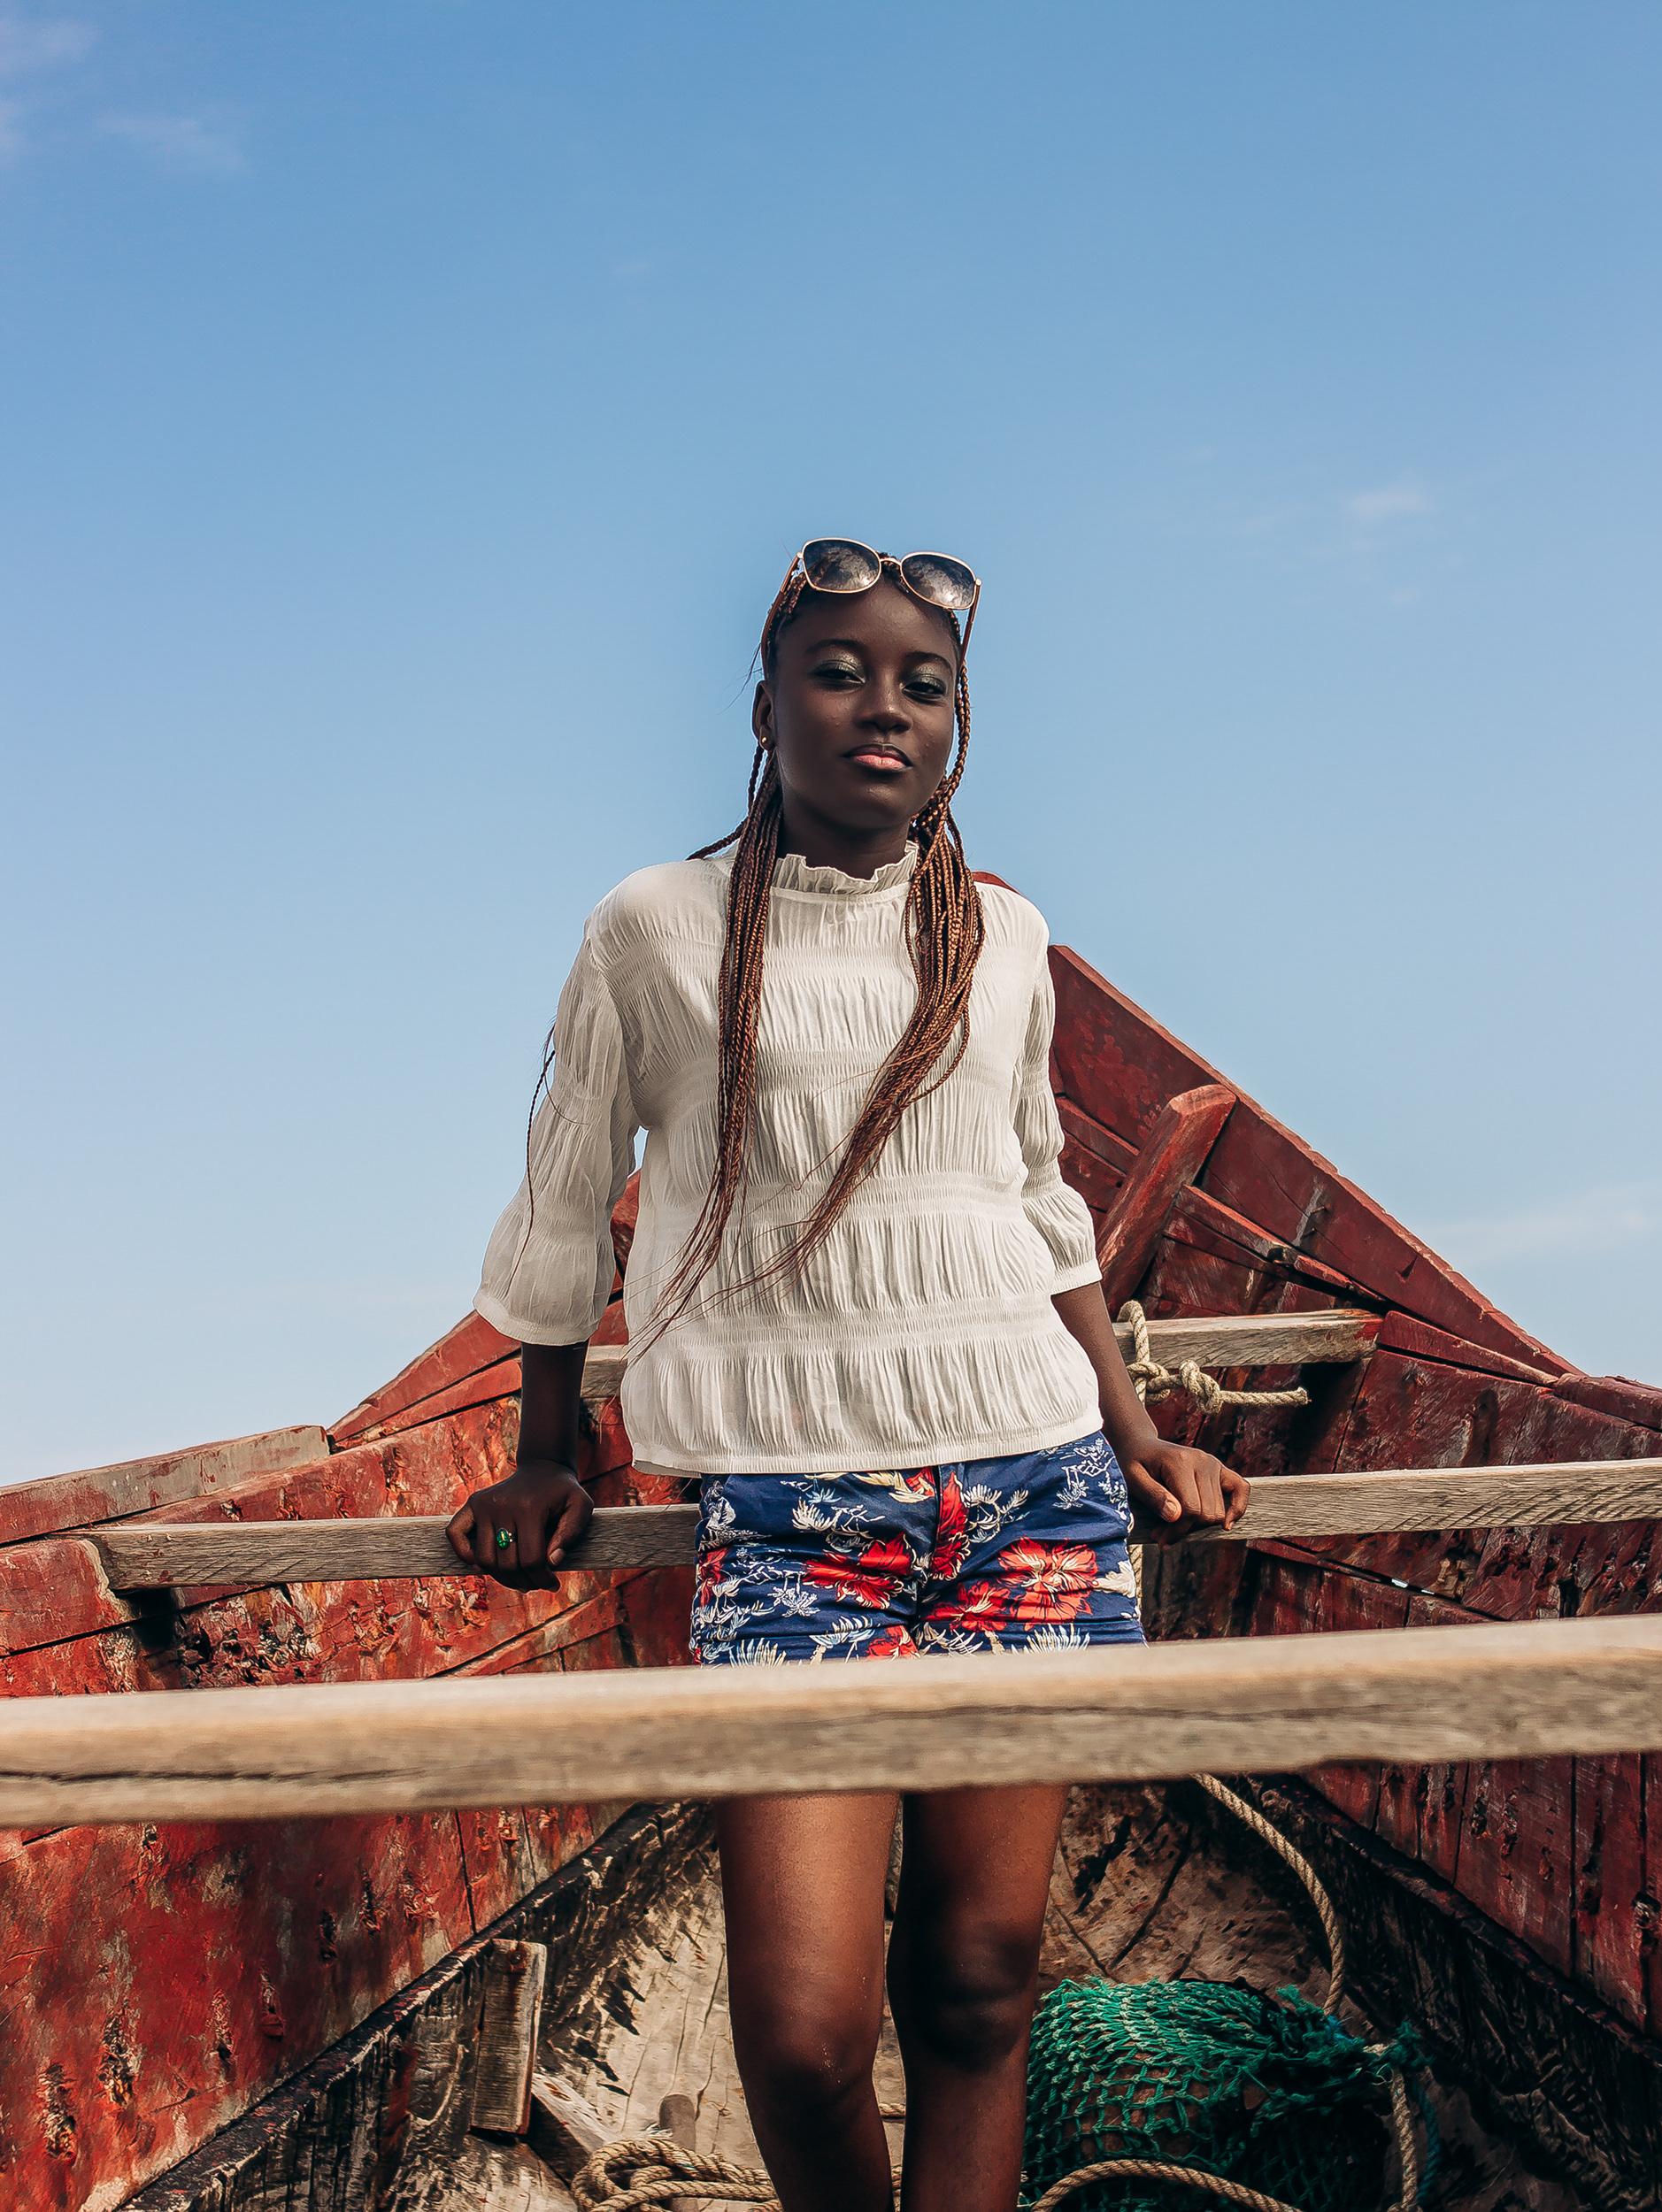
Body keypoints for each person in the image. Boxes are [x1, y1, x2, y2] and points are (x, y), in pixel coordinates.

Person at [450, 539, 1247, 2212]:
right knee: (806, 2033)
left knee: (974, 1984)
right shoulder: (652, 928)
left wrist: (1134, 1429)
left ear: (956, 728)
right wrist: (548, 1448)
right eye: (838, 671)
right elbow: (566, 1194)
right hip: (795, 1511)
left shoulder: (1005, 936)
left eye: (922, 685)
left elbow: (1039, 1201)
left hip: (1034, 1485)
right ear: (765, 708)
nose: (883, 706)